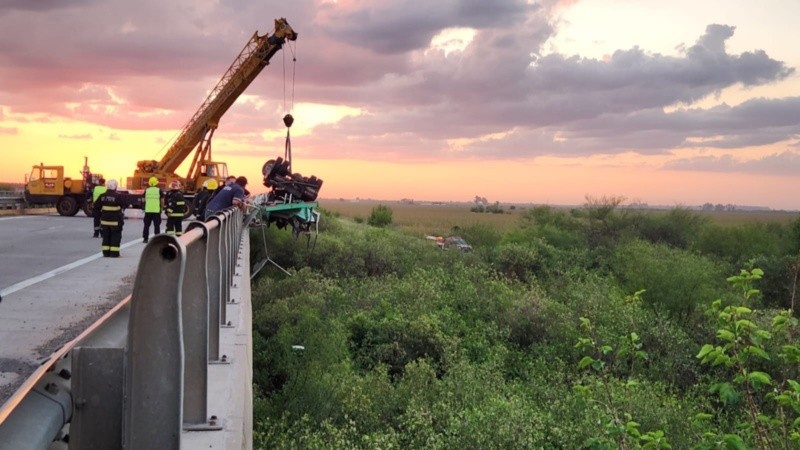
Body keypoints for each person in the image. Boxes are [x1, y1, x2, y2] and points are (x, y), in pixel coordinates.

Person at [97, 179, 124, 257]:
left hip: (104, 222)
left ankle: (106, 253)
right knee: (115, 237)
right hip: (115, 222)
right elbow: (123, 204)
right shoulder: (118, 196)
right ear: (115, 187)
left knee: (106, 237)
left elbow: (96, 206)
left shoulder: (102, 196)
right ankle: (114, 253)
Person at [142, 176, 163, 243]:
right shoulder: (159, 190)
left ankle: (145, 239)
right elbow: (162, 200)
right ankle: (157, 240)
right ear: (156, 183)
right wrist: (161, 208)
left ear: (149, 183)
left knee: (146, 226)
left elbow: (143, 200)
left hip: (148, 211)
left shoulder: (147, 190)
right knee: (157, 226)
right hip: (156, 211)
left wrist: (144, 206)